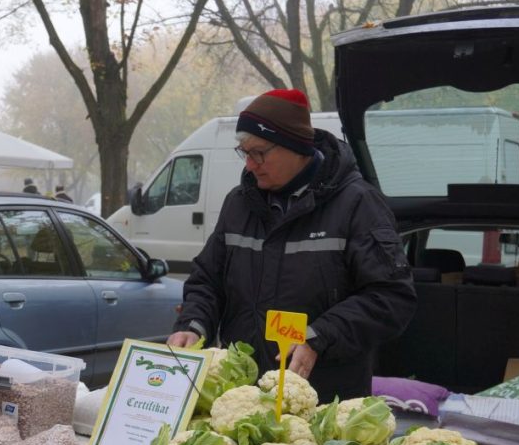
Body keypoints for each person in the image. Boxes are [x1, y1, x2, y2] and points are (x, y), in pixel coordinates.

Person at [167, 89, 416, 401]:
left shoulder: (358, 205)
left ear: (297, 147)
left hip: (324, 397)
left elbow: (391, 297)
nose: (250, 164)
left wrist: (319, 336)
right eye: (244, 152)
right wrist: (194, 323)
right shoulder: (238, 205)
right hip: (243, 395)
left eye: (259, 153)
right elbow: (207, 280)